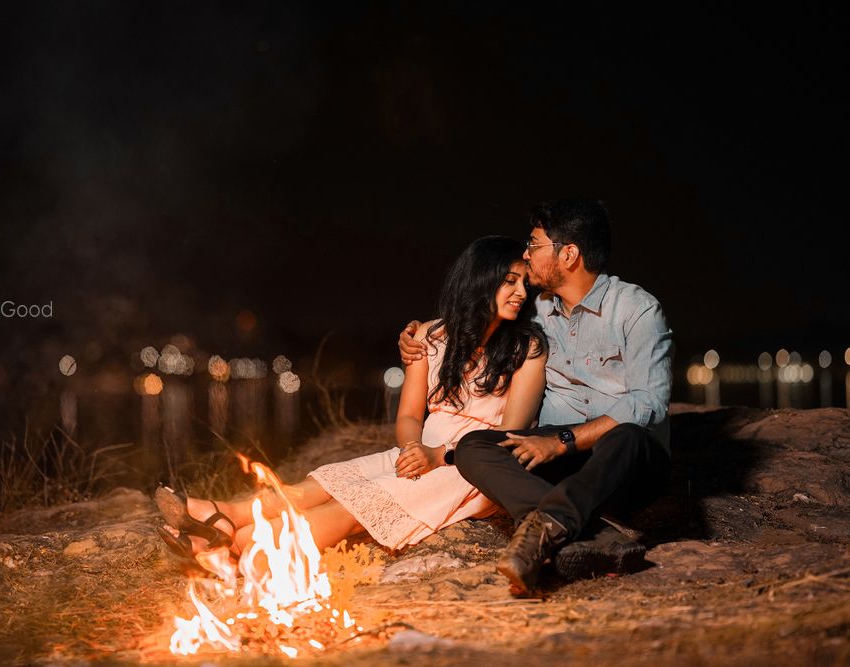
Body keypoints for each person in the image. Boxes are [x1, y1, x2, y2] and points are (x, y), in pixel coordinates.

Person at [155, 236, 549, 572]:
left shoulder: (526, 347)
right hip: (421, 452)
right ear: (480, 281)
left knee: (353, 507)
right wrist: (414, 448)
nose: (520, 292)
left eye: (523, 284)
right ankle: (227, 518)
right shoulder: (430, 336)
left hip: (473, 469)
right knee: (325, 483)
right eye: (509, 281)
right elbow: (410, 415)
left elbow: (509, 437)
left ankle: (238, 551)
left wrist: (438, 455)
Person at [398, 197, 673, 596]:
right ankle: (594, 537)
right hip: (556, 458)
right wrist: (415, 335)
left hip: (622, 460)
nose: (525, 255)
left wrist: (561, 442)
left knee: (628, 434)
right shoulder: (538, 309)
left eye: (534, 245)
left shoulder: (637, 310)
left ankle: (544, 529)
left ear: (569, 254)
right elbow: (477, 315)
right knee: (475, 446)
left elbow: (648, 404)